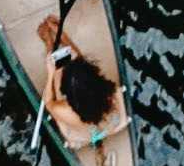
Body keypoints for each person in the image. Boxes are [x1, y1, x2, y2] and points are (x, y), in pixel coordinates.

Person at [35, 15, 124, 151]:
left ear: (70, 94)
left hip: (81, 133)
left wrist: (51, 72)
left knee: (58, 74)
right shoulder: (107, 91)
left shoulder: (66, 111)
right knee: (76, 66)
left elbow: (48, 102)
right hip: (110, 124)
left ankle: (48, 43)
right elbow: (79, 62)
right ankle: (56, 39)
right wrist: (61, 33)